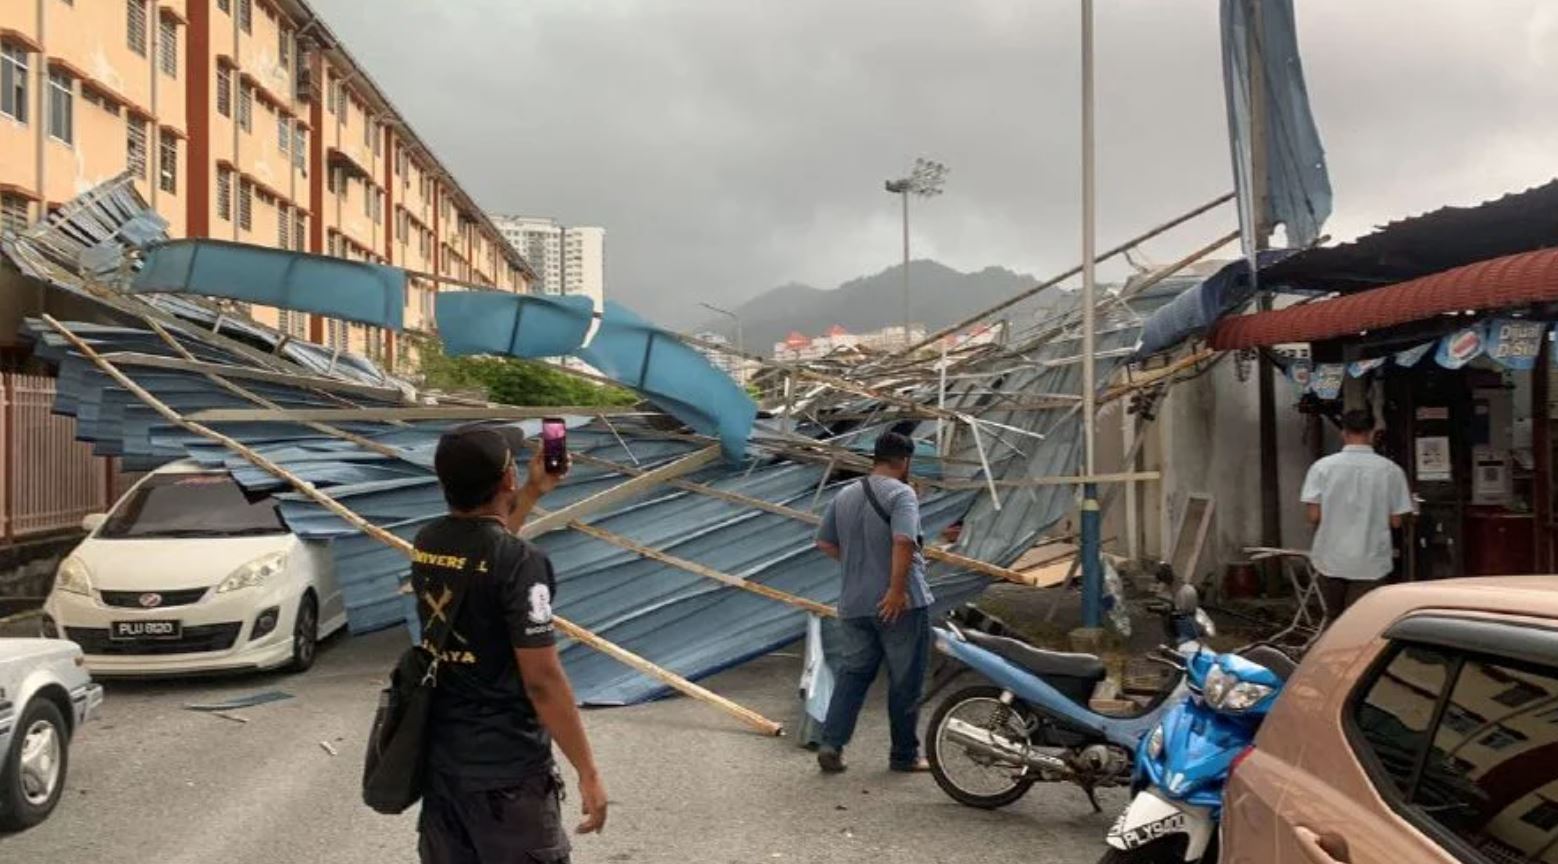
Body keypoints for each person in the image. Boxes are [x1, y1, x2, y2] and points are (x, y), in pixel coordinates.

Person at [413, 424, 607, 864]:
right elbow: (542, 680)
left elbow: (487, 548)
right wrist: (588, 772)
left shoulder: (428, 543)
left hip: (444, 767)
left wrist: (535, 492)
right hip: (507, 775)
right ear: (507, 480)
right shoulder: (522, 562)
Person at [813, 431, 933, 774]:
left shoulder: (845, 494)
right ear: (905, 461)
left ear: (876, 458)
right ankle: (904, 755)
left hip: (854, 603)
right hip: (900, 604)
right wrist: (895, 590)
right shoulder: (902, 494)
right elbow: (904, 541)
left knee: (853, 674)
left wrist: (859, 565)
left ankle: (831, 744)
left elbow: (824, 543)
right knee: (905, 679)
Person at [1300, 409, 1415, 620]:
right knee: (1362, 621)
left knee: (1332, 619)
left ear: (1343, 433)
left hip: (1330, 559)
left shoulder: (1321, 468)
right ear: (1372, 433)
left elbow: (1313, 516)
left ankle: (1330, 652)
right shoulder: (1391, 471)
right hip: (1372, 561)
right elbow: (1397, 521)